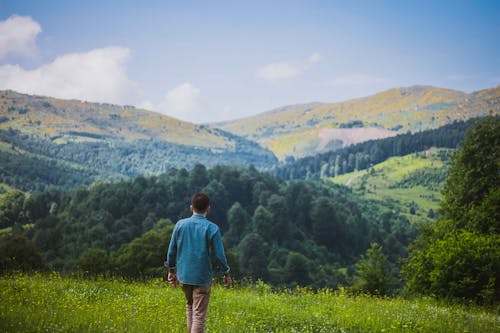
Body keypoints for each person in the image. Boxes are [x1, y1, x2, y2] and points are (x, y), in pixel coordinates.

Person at [165, 192, 231, 333]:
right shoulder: (212, 228)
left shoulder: (180, 225)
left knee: (190, 306)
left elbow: (172, 251)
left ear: (191, 207)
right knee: (199, 315)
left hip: (184, 276)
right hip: (202, 277)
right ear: (208, 209)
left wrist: (171, 270)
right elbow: (219, 255)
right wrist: (226, 273)